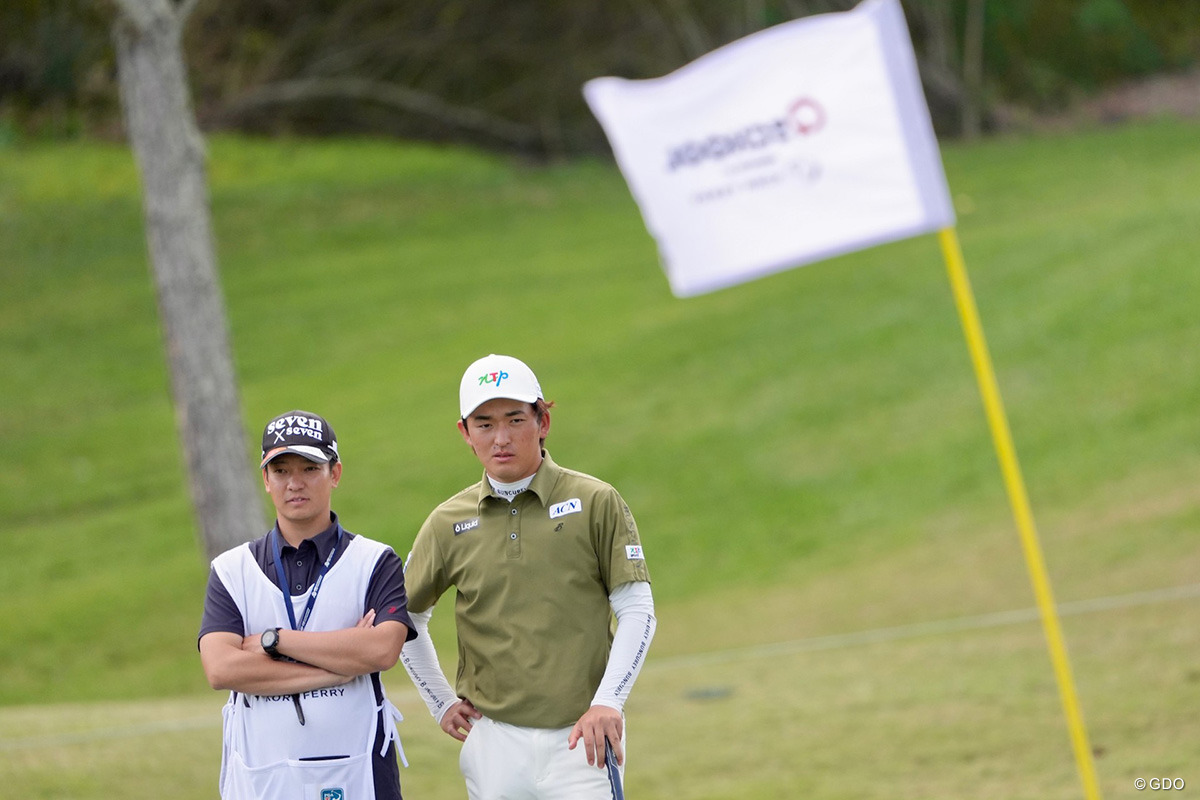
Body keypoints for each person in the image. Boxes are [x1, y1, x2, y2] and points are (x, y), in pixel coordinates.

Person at [400, 354, 657, 799]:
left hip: (583, 738)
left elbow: (637, 609)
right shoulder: (447, 522)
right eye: (484, 424)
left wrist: (608, 702)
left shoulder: (595, 501)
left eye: (515, 419)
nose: (501, 438)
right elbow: (403, 620)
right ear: (465, 433)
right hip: (493, 743)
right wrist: (439, 701)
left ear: (543, 421)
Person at [198, 410, 416, 800]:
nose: (294, 483)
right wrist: (338, 668)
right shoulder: (232, 570)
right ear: (266, 480)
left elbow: (382, 649)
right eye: (280, 470)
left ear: (335, 473)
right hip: (261, 775)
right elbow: (221, 668)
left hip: (359, 772)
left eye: (310, 467)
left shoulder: (375, 561)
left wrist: (274, 640)